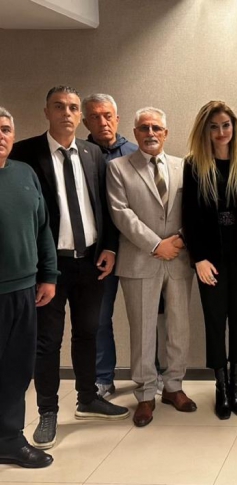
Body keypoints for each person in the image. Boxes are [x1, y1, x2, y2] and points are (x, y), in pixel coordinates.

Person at [10, 86, 129, 451]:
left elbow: (105, 206)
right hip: (50, 267)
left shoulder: (93, 154)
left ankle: (87, 398)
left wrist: (109, 246)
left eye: (73, 108)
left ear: (80, 116)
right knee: (48, 341)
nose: (67, 113)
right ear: (46, 111)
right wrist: (38, 269)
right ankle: (47, 411)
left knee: (88, 332)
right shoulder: (25, 153)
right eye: (59, 106)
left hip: (91, 261)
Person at [107, 107, 195, 427]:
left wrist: (179, 240)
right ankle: (145, 394)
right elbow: (121, 214)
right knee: (143, 329)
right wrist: (157, 245)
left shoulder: (184, 167)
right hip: (140, 258)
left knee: (178, 327)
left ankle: (173, 387)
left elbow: (195, 209)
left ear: (166, 133)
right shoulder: (118, 168)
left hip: (179, 258)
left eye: (156, 128)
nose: (150, 133)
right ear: (135, 132)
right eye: (144, 128)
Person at [182, 101, 237, 419]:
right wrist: (198, 259)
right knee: (215, 320)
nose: (221, 132)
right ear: (205, 131)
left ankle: (236, 384)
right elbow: (189, 216)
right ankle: (220, 386)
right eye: (214, 127)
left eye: (226, 125)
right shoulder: (194, 164)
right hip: (211, 257)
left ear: (234, 127)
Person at [0, 107, 58, 468]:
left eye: (6, 129)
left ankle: (9, 439)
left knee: (17, 369)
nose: (0, 135)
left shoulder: (24, 173)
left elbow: (42, 228)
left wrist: (49, 275)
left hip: (23, 290)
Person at [82, 93, 138, 398]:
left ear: (117, 118)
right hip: (99, 255)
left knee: (144, 317)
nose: (102, 122)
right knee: (100, 319)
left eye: (107, 115)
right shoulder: (80, 155)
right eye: (94, 116)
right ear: (85, 122)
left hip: (136, 249)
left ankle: (150, 373)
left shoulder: (135, 152)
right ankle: (103, 378)